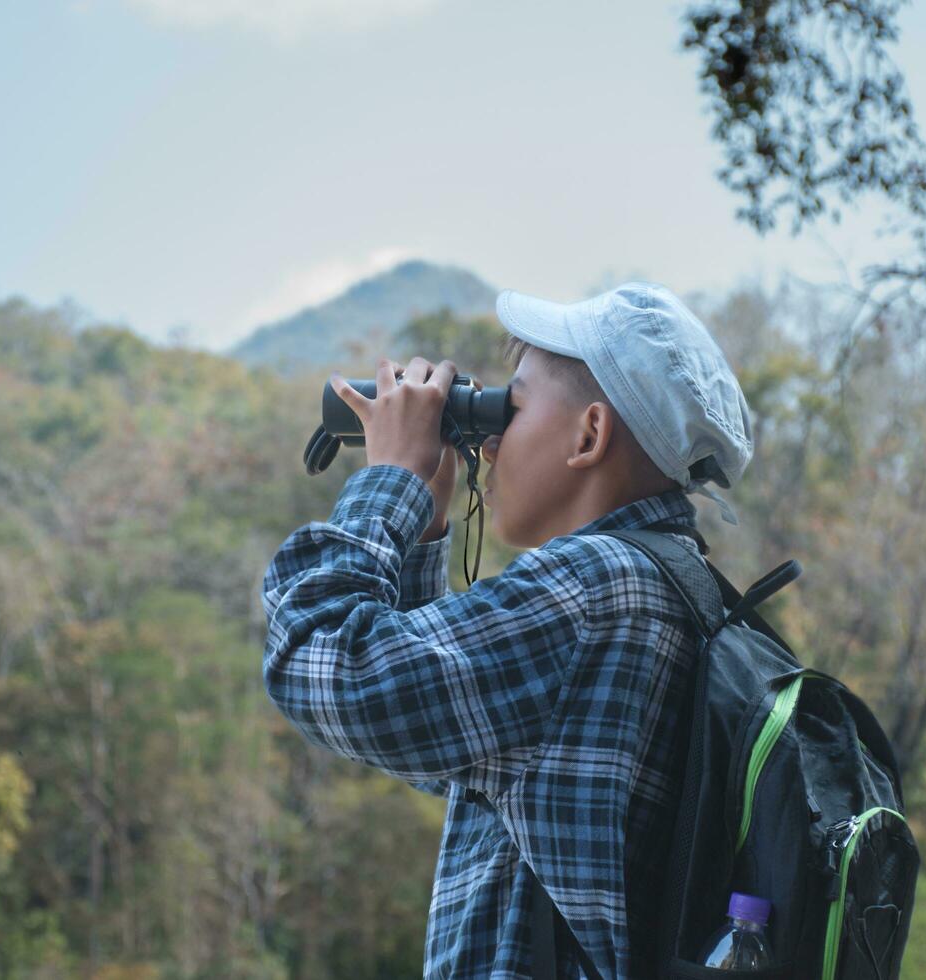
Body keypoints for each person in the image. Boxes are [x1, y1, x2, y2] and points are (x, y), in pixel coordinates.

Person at [260, 281, 754, 978]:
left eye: (510, 407)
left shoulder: (594, 588)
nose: (485, 442)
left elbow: (324, 667)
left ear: (589, 434)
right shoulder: (675, 586)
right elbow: (449, 746)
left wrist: (389, 483)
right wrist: (424, 529)